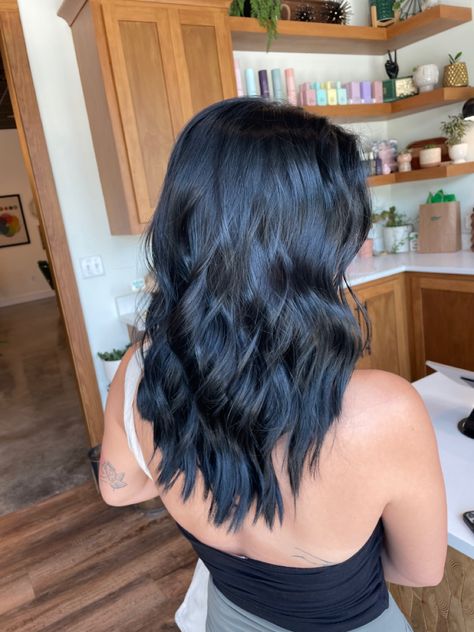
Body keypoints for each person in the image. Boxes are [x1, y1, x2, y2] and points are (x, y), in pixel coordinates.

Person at [99, 98, 447, 632]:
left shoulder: (141, 373)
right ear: (316, 241)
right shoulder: (383, 411)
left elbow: (118, 488)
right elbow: (419, 571)